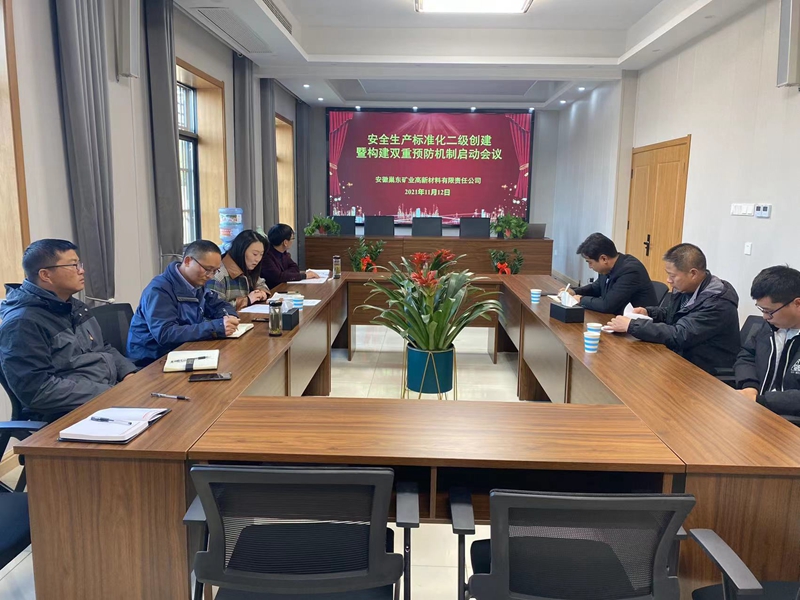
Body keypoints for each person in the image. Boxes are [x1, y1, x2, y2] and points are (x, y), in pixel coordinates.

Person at [0, 239, 137, 419]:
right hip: (66, 414)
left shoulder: (75, 307)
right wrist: (108, 393)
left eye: (80, 264)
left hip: (105, 397)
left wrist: (129, 374)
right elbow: (38, 390)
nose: (82, 270)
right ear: (45, 275)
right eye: (73, 265)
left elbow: (103, 347)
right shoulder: (22, 323)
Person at [607, 243, 740, 374]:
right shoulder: (686, 288)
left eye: (672, 275)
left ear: (693, 274)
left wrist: (632, 325)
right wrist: (649, 312)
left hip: (705, 371)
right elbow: (673, 313)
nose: (668, 280)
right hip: (681, 357)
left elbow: (680, 334)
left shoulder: (718, 303)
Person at [127, 240, 239, 366]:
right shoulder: (159, 290)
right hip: (152, 360)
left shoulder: (197, 284)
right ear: (187, 261)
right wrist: (215, 328)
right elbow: (166, 334)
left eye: (215, 271)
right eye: (207, 269)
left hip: (183, 351)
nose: (210, 276)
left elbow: (219, 304)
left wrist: (229, 316)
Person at [735, 266, 800, 416]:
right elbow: (747, 356)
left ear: (797, 303)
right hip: (756, 409)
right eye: (762, 310)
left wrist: (762, 400)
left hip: (789, 421)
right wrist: (749, 386)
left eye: (769, 311)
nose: (765, 317)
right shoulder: (770, 327)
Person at [560, 233, 657, 315]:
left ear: (604, 259)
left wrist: (581, 299)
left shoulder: (631, 271)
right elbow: (595, 288)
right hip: (618, 319)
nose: (590, 266)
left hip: (639, 324)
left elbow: (607, 305)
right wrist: (574, 292)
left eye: (590, 262)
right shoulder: (607, 268)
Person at [206, 230, 270, 311]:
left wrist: (261, 292)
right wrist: (247, 300)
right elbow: (214, 309)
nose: (258, 259)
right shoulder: (218, 274)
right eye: (255, 254)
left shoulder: (247, 266)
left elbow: (261, 283)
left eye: (261, 254)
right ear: (241, 251)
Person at [261, 224, 320, 289]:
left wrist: (284, 274)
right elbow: (278, 277)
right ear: (285, 242)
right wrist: (304, 276)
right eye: (292, 239)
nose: (293, 241)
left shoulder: (283, 252)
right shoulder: (266, 256)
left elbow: (295, 267)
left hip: (283, 286)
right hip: (273, 290)